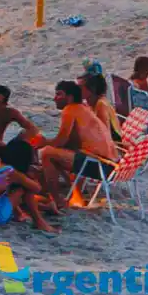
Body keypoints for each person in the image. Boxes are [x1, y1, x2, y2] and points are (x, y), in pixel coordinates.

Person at [38, 81, 118, 211]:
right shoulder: (84, 108)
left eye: (59, 94)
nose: (54, 98)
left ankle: (57, 200)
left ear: (69, 97)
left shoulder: (70, 109)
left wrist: (42, 142)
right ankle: (71, 191)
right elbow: (69, 142)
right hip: (111, 166)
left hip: (101, 166)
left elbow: (60, 141)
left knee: (47, 153)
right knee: (57, 153)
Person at [0, 139, 54, 232]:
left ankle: (19, 214)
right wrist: (33, 174)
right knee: (22, 188)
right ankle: (39, 222)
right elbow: (37, 188)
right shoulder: (11, 173)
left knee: (9, 187)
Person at [81, 73, 121, 143]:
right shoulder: (92, 103)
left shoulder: (101, 105)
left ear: (91, 89)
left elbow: (106, 136)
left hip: (115, 147)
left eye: (80, 87)